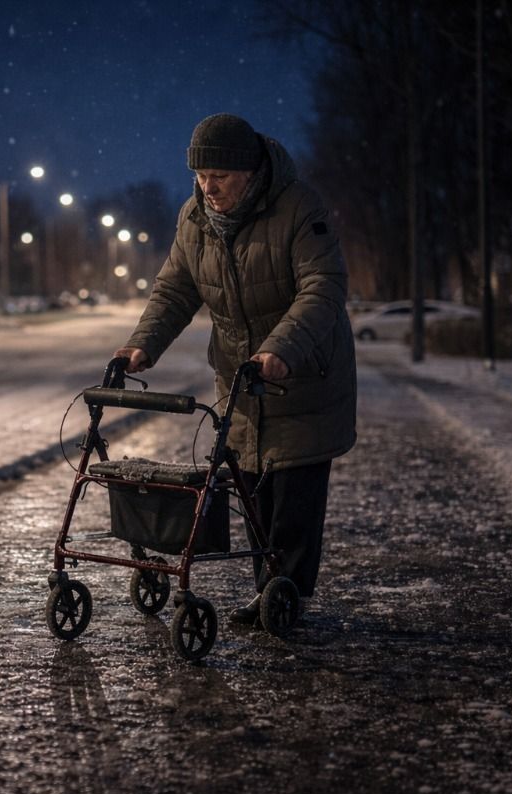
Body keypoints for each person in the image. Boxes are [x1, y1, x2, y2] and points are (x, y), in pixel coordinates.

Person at [113, 112, 356, 626]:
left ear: (248, 171)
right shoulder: (194, 218)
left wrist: (280, 349)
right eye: (200, 177)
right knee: (252, 486)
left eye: (218, 177)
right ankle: (267, 591)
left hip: (301, 375)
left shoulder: (298, 208)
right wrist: (140, 347)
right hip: (240, 378)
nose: (208, 187)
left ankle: (284, 591)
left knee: (293, 493)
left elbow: (323, 287)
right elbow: (175, 290)